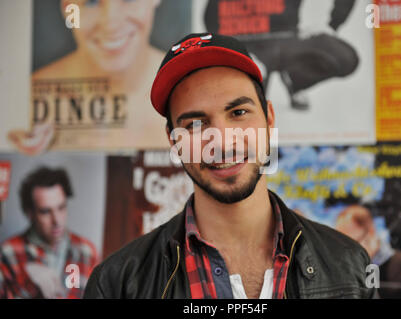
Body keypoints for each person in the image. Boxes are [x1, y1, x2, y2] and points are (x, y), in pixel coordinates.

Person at [84, 33, 375, 299]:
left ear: (269, 119)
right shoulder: (116, 285)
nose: (222, 142)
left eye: (238, 112)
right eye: (196, 124)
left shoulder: (349, 265)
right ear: (173, 140)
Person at [9, 0, 168, 154]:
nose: (110, 23)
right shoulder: (23, 99)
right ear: (67, 9)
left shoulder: (180, 90)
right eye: (91, 2)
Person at [204, 0, 359, 110]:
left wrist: (332, 24)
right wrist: (239, 53)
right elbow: (212, 17)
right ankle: (256, 75)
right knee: (249, 112)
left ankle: (295, 78)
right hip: (247, 44)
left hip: (288, 39)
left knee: (345, 58)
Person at [0, 167, 98, 298]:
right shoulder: (8, 252)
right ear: (30, 213)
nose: (57, 220)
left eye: (61, 208)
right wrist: (29, 284)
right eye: (45, 211)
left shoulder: (87, 251)